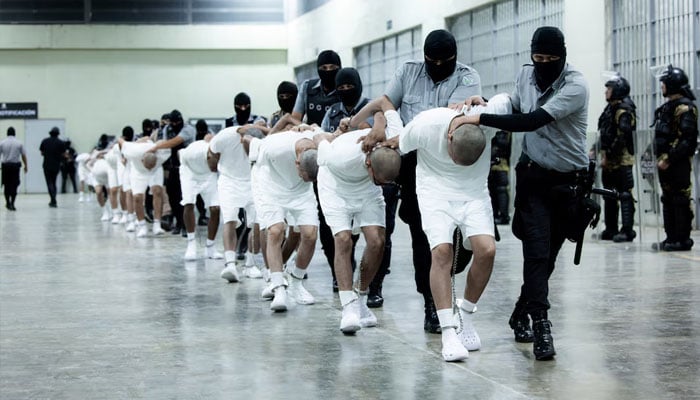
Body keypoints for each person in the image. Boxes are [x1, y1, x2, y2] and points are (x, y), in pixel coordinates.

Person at [460, 26, 589, 361]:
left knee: (547, 259)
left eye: (550, 59)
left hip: (568, 183)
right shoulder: (526, 76)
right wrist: (486, 103)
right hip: (533, 180)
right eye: (538, 57)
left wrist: (479, 118)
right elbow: (517, 105)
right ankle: (541, 326)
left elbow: (532, 120)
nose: (543, 63)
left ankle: (521, 313)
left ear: (562, 56)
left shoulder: (575, 85)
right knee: (535, 253)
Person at [351, 29, 482, 333]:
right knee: (426, 241)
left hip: (449, 166)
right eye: (432, 61)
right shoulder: (408, 73)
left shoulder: (466, 78)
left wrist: (403, 134)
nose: (438, 65)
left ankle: (445, 287)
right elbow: (385, 102)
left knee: (463, 240)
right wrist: (359, 120)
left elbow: (449, 120)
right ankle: (433, 306)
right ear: (424, 57)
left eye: (444, 61)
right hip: (414, 166)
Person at [314, 110, 402, 333]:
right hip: (334, 185)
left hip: (365, 187)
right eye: (380, 181)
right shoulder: (338, 156)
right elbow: (319, 141)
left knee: (377, 241)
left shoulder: (392, 140)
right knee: (343, 240)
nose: (382, 185)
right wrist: (327, 134)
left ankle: (360, 297)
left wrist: (378, 124)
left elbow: (383, 106)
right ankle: (348, 309)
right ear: (369, 164)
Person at [242, 128, 320, 312]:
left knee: (310, 234)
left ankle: (296, 282)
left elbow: (333, 134)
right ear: (297, 162)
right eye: (304, 174)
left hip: (300, 191)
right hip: (269, 184)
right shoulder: (273, 147)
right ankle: (277, 287)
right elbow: (248, 141)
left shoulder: (318, 141)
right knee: (276, 230)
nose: (305, 178)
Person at [652, 65, 698, 251]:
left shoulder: (685, 108)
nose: (661, 86)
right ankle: (670, 238)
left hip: (677, 163)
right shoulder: (667, 108)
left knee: (680, 200)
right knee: (668, 199)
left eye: (664, 83)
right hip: (664, 162)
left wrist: (668, 159)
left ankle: (682, 239)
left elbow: (687, 140)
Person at [209, 126, 264, 281]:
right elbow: (211, 152)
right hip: (229, 180)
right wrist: (212, 166)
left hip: (252, 180)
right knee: (230, 219)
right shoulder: (224, 136)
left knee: (257, 222)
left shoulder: (259, 137)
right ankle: (230, 264)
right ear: (241, 139)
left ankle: (250, 264)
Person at [595, 76, 637, 242]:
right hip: (608, 159)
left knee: (625, 195)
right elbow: (605, 133)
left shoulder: (623, 110)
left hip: (622, 160)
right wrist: (595, 150)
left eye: (609, 88)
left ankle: (627, 230)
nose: (606, 91)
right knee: (609, 195)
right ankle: (610, 229)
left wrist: (609, 155)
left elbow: (622, 137)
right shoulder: (609, 109)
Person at [150, 109, 196, 236]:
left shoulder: (188, 129)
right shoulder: (167, 129)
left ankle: (187, 226)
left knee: (185, 197)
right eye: (173, 123)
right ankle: (179, 223)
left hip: (187, 167)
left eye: (177, 122)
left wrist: (157, 146)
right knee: (172, 196)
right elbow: (167, 145)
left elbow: (176, 141)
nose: (175, 125)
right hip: (173, 167)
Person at [178, 135, 223, 261]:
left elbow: (210, 137)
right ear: (208, 157)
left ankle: (210, 247)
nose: (216, 167)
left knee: (215, 208)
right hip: (189, 172)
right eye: (214, 164)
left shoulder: (216, 155)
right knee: (189, 204)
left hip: (208, 175)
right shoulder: (193, 152)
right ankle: (191, 243)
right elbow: (180, 154)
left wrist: (213, 169)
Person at [119, 137, 170, 238]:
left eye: (152, 165)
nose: (149, 168)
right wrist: (123, 157)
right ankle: (142, 225)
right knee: (137, 197)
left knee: (158, 191)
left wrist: (157, 144)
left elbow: (166, 142)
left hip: (155, 171)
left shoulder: (163, 153)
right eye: (148, 166)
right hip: (138, 171)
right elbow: (120, 140)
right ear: (142, 159)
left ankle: (157, 224)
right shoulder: (133, 151)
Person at [291, 50, 342, 126]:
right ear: (318, 69)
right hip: (310, 134)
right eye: (324, 68)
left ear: (340, 68)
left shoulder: (345, 90)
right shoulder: (307, 87)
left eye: (332, 67)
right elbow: (294, 120)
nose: (328, 71)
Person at [0, 127, 27, 210]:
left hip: (6, 166)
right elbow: (23, 155)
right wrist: (26, 166)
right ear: (14, 133)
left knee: (6, 185)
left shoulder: (2, 143)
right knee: (14, 185)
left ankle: (8, 203)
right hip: (15, 167)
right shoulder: (19, 143)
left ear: (7, 133)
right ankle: (12, 203)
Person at [488, 130, 512, 225]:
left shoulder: (503, 131)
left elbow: (503, 143)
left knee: (501, 190)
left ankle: (503, 216)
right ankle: (496, 215)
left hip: (500, 164)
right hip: (494, 163)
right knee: (493, 191)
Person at [40, 127, 66, 208]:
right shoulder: (61, 143)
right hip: (56, 165)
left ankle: (53, 199)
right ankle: (53, 199)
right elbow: (63, 154)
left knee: (49, 182)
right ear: (58, 134)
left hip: (46, 165)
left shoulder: (45, 141)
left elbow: (42, 153)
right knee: (54, 182)